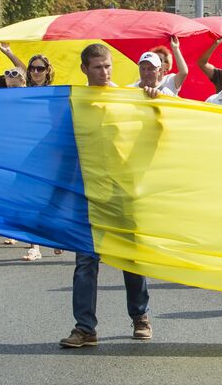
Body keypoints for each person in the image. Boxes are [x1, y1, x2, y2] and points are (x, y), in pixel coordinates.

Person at [60, 43, 153, 348]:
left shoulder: (127, 99)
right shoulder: (75, 103)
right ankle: (85, 328)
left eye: (108, 66)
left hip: (122, 192)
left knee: (131, 257)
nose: (104, 72)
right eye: (98, 67)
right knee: (86, 260)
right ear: (84, 69)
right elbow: (65, 152)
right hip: (87, 193)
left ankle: (140, 317)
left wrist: (154, 105)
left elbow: (153, 134)